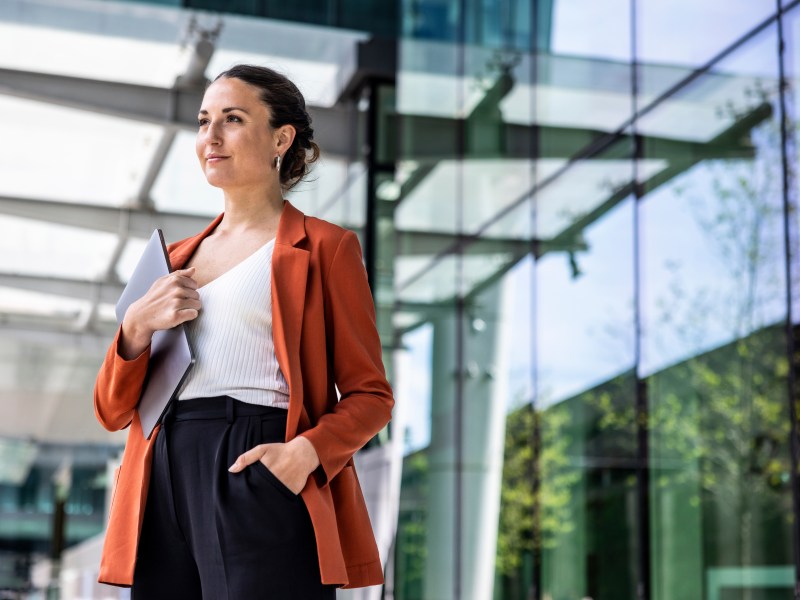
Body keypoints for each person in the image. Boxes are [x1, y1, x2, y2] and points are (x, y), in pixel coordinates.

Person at [93, 64, 394, 599]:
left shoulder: (327, 248)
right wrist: (135, 325)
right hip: (160, 469)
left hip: (255, 459)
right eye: (205, 120)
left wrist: (303, 453)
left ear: (281, 138)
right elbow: (113, 410)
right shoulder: (172, 260)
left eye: (232, 120)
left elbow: (370, 396)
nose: (210, 136)